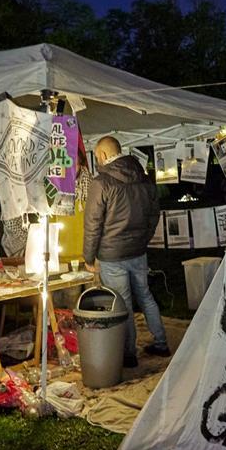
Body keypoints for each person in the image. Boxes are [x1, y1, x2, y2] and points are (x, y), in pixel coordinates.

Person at [84, 136, 170, 368]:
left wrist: (88, 257)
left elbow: (93, 223)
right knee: (145, 295)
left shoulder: (101, 182)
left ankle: (129, 354)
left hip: (112, 254)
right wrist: (144, 238)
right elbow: (154, 214)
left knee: (123, 303)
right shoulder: (143, 178)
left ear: (102, 155)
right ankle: (161, 343)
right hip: (138, 250)